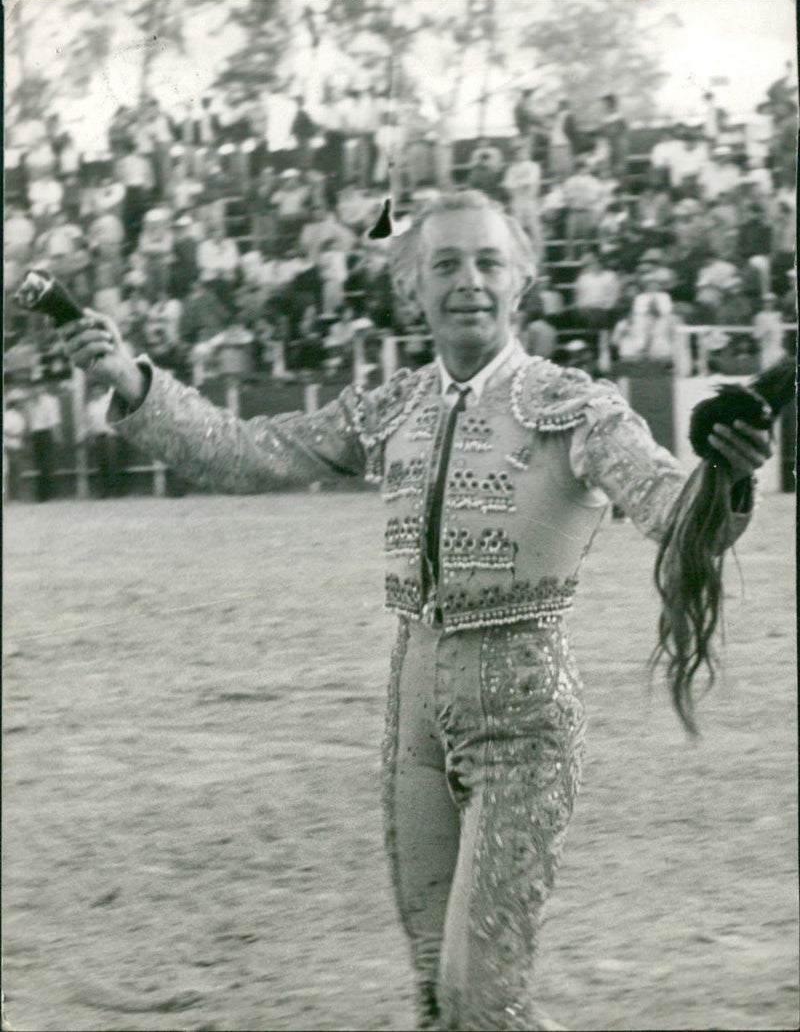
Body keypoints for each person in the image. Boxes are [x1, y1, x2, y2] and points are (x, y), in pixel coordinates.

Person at [60, 189, 772, 1032]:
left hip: (525, 714)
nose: (468, 281)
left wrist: (728, 476)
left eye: (487, 263)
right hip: (413, 718)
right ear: (412, 288)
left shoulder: (578, 405)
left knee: (484, 995)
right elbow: (241, 452)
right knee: (438, 997)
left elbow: (671, 510)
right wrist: (130, 379)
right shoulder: (393, 404)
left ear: (523, 281)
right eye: (445, 264)